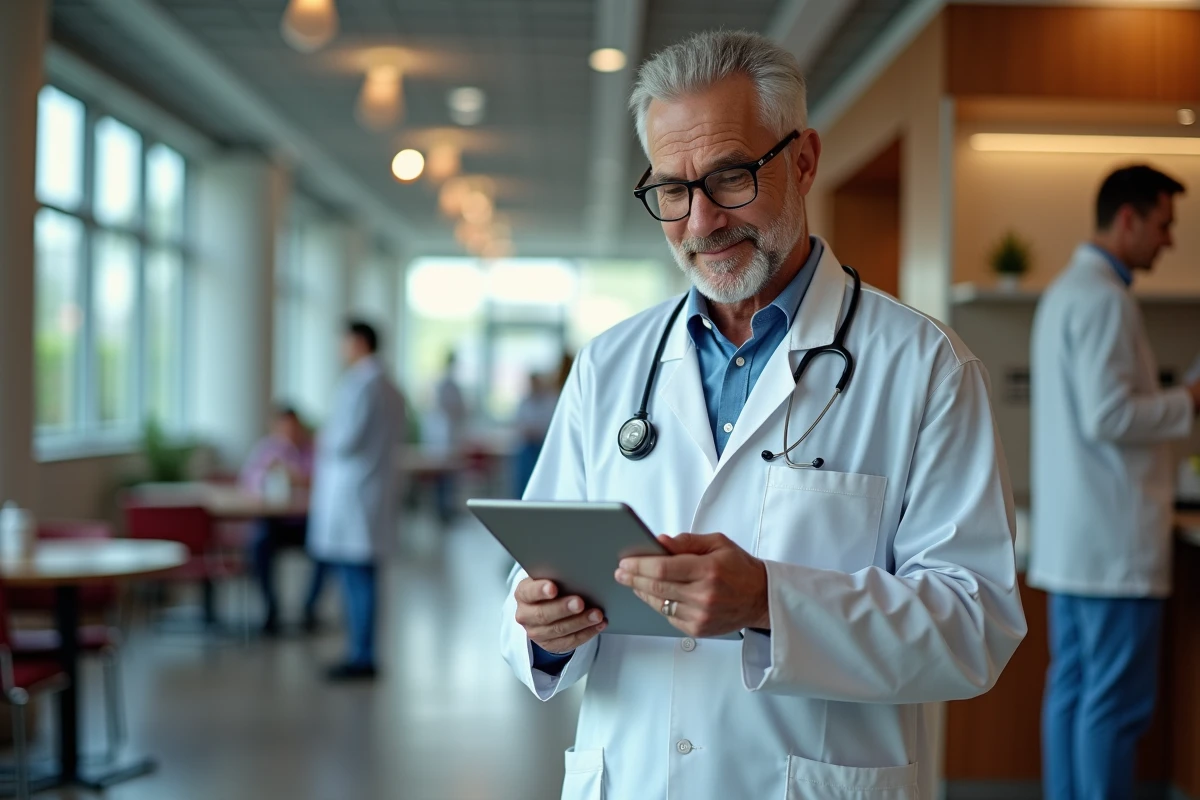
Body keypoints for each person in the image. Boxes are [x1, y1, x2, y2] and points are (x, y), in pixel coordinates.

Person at [499, 30, 1025, 799]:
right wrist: (538, 631)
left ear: (804, 159)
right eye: (673, 191)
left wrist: (771, 602)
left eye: (730, 176)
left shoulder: (925, 366)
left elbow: (975, 623)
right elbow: (535, 564)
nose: (702, 221)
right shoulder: (611, 365)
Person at [1029, 165, 1200, 799]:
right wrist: (1188, 398)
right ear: (1128, 219)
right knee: (1113, 710)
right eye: (1164, 225)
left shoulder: (1069, 293)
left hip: (1080, 548)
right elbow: (1110, 415)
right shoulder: (1104, 298)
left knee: (1074, 695)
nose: (1169, 240)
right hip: (1112, 550)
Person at [307, 320, 405, 681]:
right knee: (361, 577)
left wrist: (320, 436)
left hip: (356, 494)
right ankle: (361, 650)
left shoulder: (362, 386)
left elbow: (344, 440)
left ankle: (361, 655)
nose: (340, 349)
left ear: (359, 342)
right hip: (369, 492)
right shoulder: (388, 386)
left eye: (343, 341)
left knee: (357, 579)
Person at [239, 405, 325, 635]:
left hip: (306, 523)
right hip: (275, 522)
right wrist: (267, 475)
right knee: (258, 543)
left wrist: (300, 479)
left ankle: (309, 607)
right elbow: (249, 482)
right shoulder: (267, 450)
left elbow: (325, 482)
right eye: (284, 428)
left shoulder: (315, 450)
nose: (289, 433)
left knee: (328, 549)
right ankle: (271, 608)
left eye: (293, 427)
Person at [427, 351, 468, 523]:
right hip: (441, 440)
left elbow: (461, 410)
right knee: (441, 478)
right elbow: (446, 410)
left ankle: (448, 509)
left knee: (450, 477)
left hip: (451, 439)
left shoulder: (452, 385)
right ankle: (441, 510)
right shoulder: (443, 385)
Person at [511, 371, 558, 498]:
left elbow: (551, 425)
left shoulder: (550, 401)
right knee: (524, 479)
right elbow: (519, 424)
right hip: (527, 446)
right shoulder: (524, 402)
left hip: (542, 446)